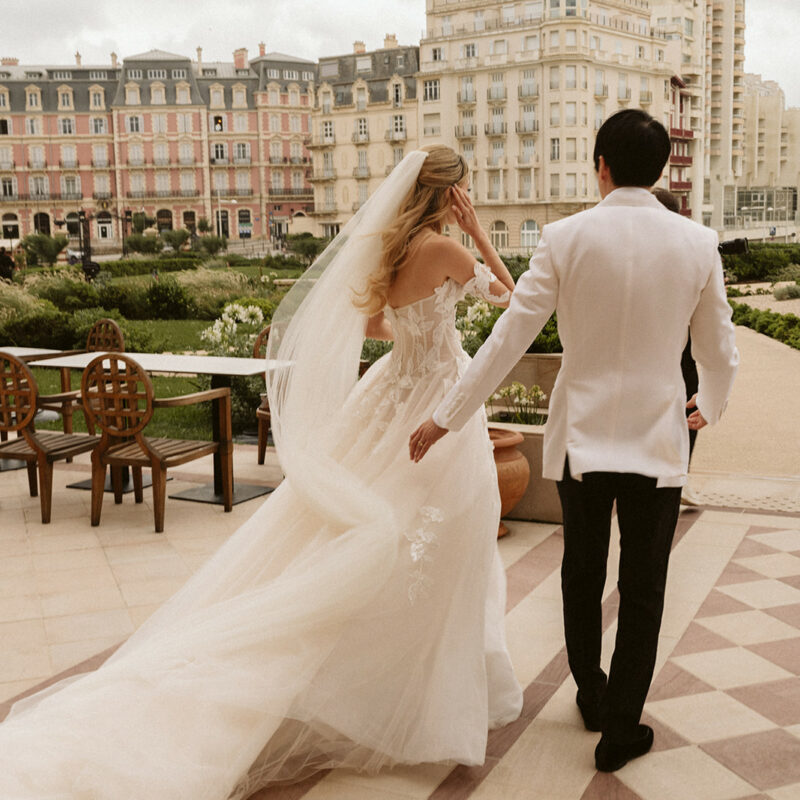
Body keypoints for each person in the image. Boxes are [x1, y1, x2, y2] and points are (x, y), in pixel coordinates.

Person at [0, 146, 522, 798]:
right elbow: (515, 302)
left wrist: (418, 338)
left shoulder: (391, 248)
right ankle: (415, 693)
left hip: (391, 393)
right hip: (437, 400)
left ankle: (394, 680)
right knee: (446, 539)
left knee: (369, 536)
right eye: (463, 193)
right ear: (449, 195)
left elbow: (375, 326)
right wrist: (475, 237)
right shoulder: (447, 249)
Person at [410, 109, 739, 772]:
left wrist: (446, 415)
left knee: (581, 572)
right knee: (645, 586)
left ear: (601, 166)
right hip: (658, 443)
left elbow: (509, 337)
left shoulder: (564, 237)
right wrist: (710, 403)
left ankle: (591, 691)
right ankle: (621, 728)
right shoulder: (698, 243)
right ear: (659, 170)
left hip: (581, 441)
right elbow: (719, 349)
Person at [652, 187, 702, 506]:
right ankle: (677, 475)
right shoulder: (690, 251)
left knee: (688, 410)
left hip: (680, 350)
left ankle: (679, 474)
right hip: (681, 350)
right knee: (689, 409)